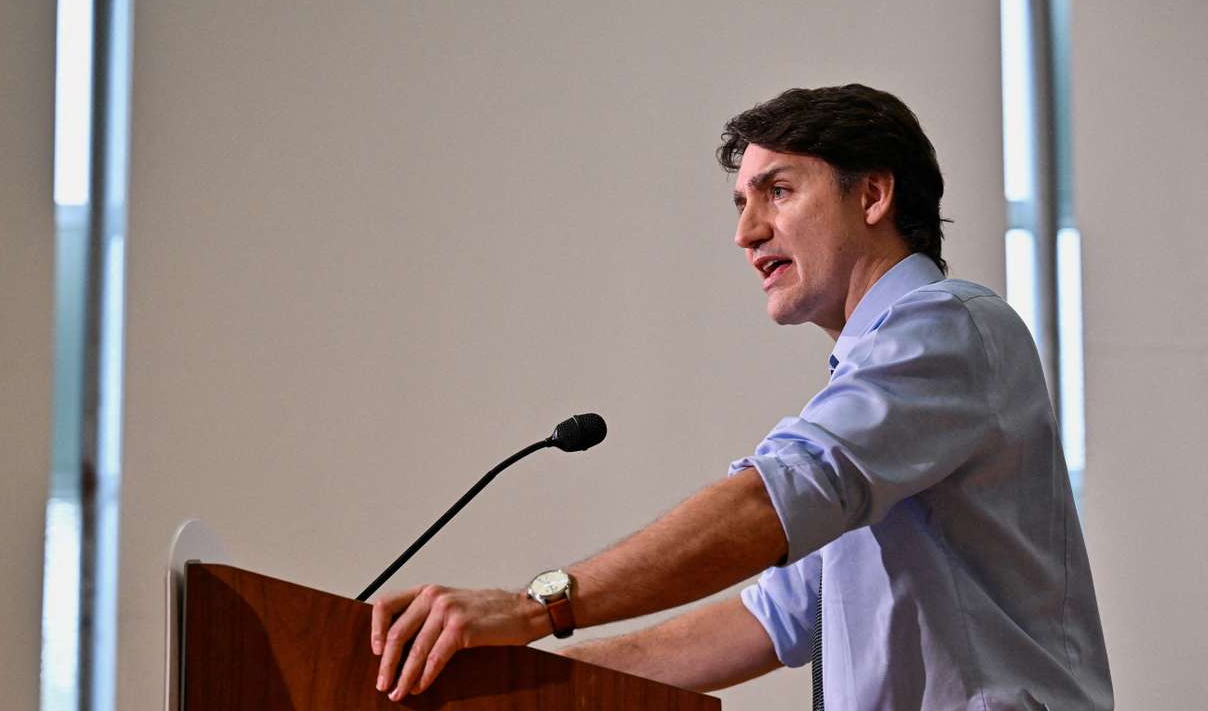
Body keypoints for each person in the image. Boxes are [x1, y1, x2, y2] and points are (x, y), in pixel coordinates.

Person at [368, 84, 1114, 709]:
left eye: (779, 191)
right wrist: (524, 687)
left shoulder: (947, 329)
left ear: (874, 194)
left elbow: (770, 503)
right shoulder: (885, 383)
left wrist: (535, 606)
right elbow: (772, 618)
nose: (747, 232)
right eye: (740, 202)